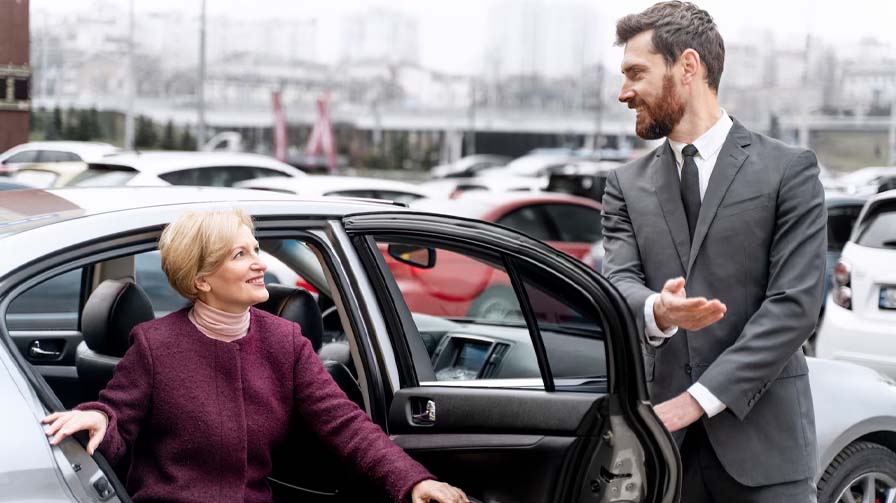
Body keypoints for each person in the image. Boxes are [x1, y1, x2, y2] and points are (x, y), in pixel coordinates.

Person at [41, 209, 469, 503]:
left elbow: (347, 425)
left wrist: (414, 480)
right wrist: (97, 417)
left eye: (256, 248)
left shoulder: (286, 342)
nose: (259, 263)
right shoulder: (156, 344)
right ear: (202, 279)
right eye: (240, 254)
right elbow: (115, 416)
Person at [602, 2, 825, 501]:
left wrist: (696, 401)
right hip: (662, 458)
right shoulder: (623, 185)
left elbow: (795, 306)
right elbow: (619, 283)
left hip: (765, 455)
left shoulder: (789, 169)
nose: (624, 92)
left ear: (687, 66)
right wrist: (656, 310)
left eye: (636, 73)